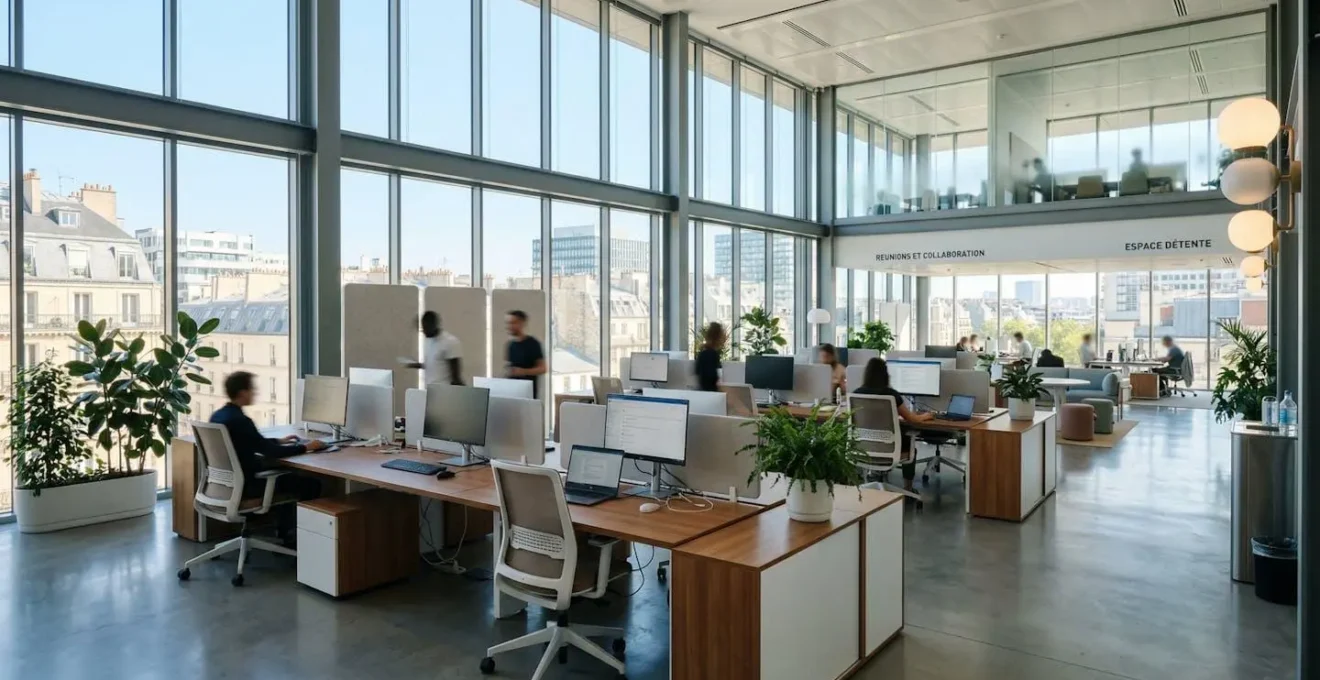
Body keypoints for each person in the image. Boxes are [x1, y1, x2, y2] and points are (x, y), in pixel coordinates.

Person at [210, 372, 323, 533]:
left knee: (289, 477)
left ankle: (284, 533)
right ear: (243, 392)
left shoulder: (219, 416)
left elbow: (251, 442)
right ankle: (292, 537)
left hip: (225, 486)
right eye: (252, 389)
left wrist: (279, 441)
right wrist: (306, 447)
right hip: (249, 486)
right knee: (311, 484)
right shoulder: (241, 421)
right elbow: (271, 452)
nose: (254, 393)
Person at [852, 358, 933, 492]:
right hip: (890, 449)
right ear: (886, 375)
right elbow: (913, 419)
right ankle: (908, 488)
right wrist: (926, 416)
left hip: (863, 449)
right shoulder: (891, 395)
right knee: (909, 442)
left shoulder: (856, 394)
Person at [405, 311, 463, 386]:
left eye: (426, 328)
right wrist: (418, 365)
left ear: (434, 325)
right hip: (430, 389)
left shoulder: (450, 342)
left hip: (444, 391)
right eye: (422, 329)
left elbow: (456, 376)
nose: (424, 332)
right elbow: (435, 364)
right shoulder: (428, 340)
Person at [504, 310, 547, 398]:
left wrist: (523, 371)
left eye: (513, 323)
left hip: (528, 394)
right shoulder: (510, 345)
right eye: (508, 323)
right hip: (512, 392)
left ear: (522, 323)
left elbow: (543, 368)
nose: (509, 326)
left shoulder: (533, 343)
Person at [694, 322, 726, 392]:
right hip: (711, 394)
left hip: (704, 392)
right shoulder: (712, 354)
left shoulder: (703, 352)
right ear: (718, 337)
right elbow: (711, 378)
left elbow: (697, 371)